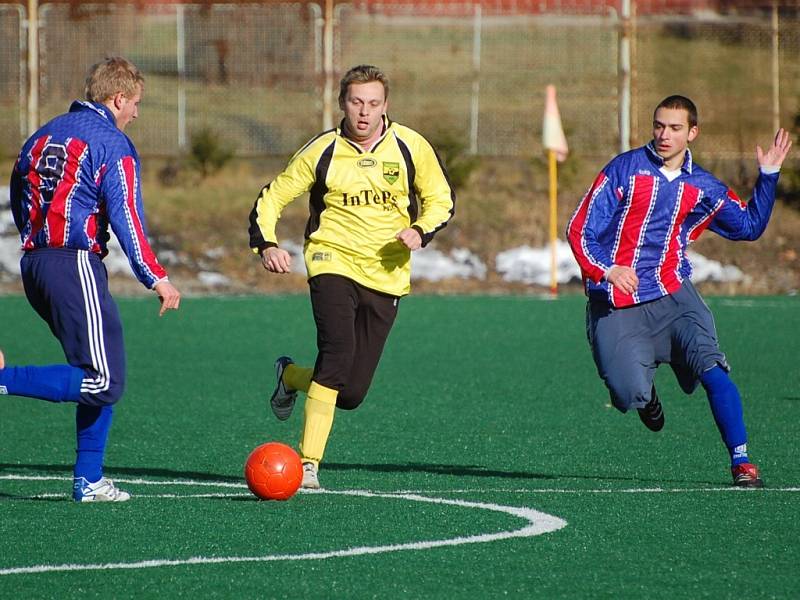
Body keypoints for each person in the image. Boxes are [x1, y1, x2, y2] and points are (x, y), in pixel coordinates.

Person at [567, 95, 791, 488]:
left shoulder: (702, 186)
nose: (663, 134)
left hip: (675, 297)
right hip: (618, 303)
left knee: (714, 369)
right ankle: (646, 395)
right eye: (658, 125)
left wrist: (768, 174)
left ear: (692, 132)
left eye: (674, 128)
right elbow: (579, 228)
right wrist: (609, 269)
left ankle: (742, 462)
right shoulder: (625, 170)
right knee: (625, 393)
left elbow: (749, 226)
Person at [248, 64, 455, 489]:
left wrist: (419, 230)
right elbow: (273, 196)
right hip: (331, 261)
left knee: (352, 392)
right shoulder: (322, 149)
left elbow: (441, 200)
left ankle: (289, 376)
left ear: (386, 105)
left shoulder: (410, 146)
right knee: (337, 351)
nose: (364, 112)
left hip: (386, 273)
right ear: (342, 103)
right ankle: (308, 464)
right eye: (356, 102)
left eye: (373, 103)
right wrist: (267, 244)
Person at [0, 57, 181, 502]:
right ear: (118, 99)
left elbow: (17, 195)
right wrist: (155, 276)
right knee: (103, 379)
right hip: (73, 263)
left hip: (36, 264)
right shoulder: (111, 143)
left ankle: (89, 479)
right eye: (135, 103)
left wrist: (37, 241)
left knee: (97, 370)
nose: (137, 113)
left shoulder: (42, 134)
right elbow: (128, 217)